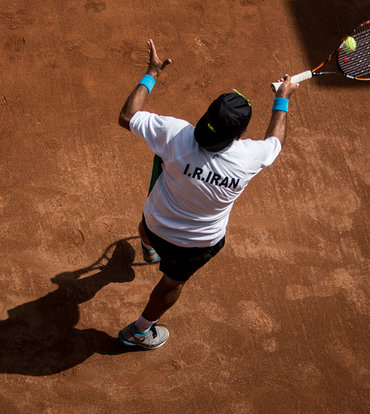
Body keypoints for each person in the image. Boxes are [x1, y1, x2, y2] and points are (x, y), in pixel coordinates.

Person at [117, 39, 299, 349]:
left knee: (146, 225)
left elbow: (127, 116)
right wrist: (282, 98)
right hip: (196, 245)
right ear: (239, 135)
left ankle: (148, 248)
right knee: (173, 282)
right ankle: (141, 330)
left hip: (155, 222)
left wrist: (151, 73)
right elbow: (276, 142)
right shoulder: (249, 157)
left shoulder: (175, 133)